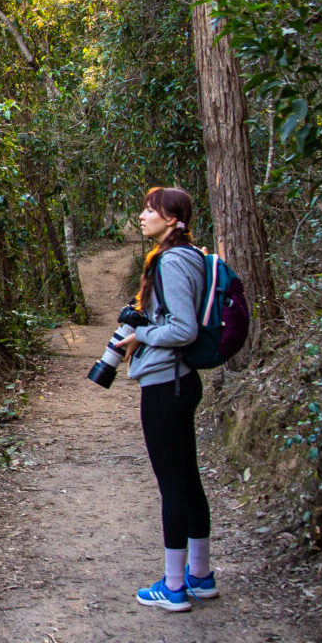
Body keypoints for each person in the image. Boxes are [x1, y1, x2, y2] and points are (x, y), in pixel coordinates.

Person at [125, 186, 217, 612]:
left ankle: (174, 585)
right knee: (188, 478)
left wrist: (140, 334)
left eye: (151, 210)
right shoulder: (190, 256)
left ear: (172, 218)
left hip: (167, 384)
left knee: (173, 484)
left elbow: (183, 329)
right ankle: (199, 575)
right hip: (180, 382)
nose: (144, 216)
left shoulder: (172, 261)